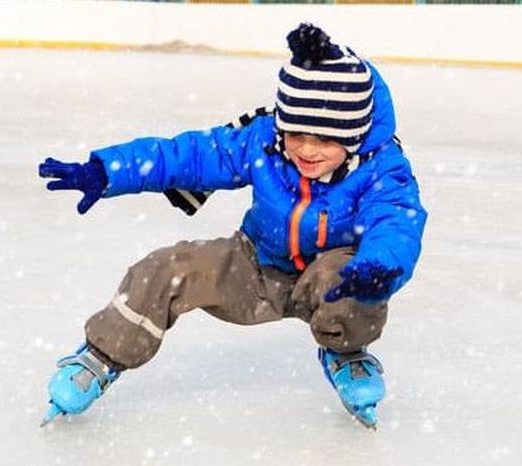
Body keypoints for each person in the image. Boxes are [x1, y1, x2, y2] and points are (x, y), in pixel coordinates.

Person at [38, 23, 427, 429]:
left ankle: (346, 350)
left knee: (352, 279)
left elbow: (396, 224)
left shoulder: (382, 168)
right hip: (256, 264)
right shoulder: (263, 140)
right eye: (296, 133)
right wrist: (108, 171)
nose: (307, 150)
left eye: (325, 139)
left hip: (329, 275)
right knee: (166, 267)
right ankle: (103, 356)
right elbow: (189, 155)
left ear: (353, 135)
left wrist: (379, 268)